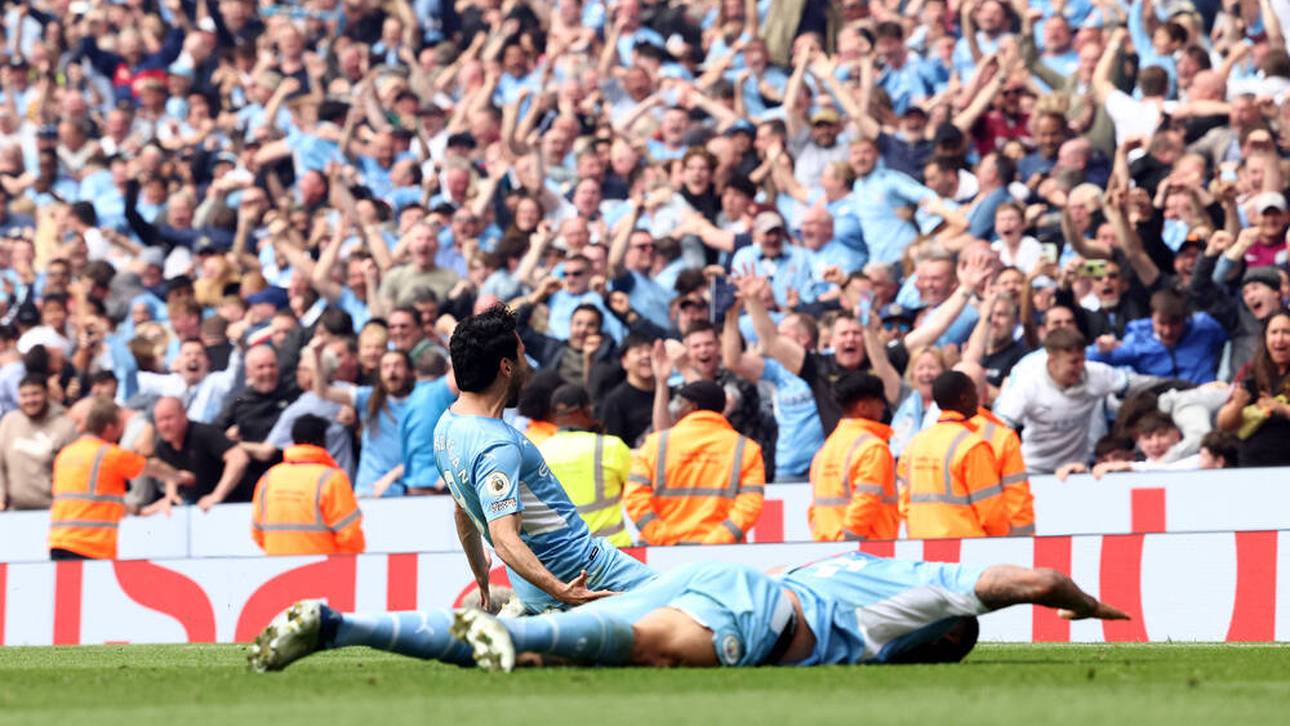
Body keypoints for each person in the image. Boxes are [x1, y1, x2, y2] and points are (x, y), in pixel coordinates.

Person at [248, 549, 1128, 673]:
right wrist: (1091, 608)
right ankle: (515, 625)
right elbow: (1037, 584)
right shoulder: (920, 605)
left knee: (557, 660)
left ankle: (339, 626)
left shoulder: (868, 556)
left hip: (717, 573)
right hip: (763, 616)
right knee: (639, 646)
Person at [433, 305, 655, 614]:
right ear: (506, 367)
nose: (527, 364)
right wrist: (562, 591)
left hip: (538, 587)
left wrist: (481, 576)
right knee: (692, 605)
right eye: (523, 355)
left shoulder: (446, 427)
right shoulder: (497, 444)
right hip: (586, 572)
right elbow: (503, 536)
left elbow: (463, 508)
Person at [48, 397, 193, 560]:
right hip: (91, 544)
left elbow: (95, 501)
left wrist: (139, 511)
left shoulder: (65, 454)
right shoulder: (110, 454)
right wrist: (177, 476)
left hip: (58, 541)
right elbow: (152, 467)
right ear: (110, 427)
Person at [897, 371, 1009, 540]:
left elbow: (904, 500)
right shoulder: (972, 446)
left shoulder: (915, 443)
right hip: (965, 547)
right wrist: (1000, 540)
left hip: (920, 542)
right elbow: (989, 508)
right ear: (965, 398)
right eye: (974, 393)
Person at [251, 415, 365, 556]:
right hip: (322, 569)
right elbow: (350, 534)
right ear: (323, 440)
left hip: (278, 568)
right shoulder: (331, 479)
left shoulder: (269, 478)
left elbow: (257, 532)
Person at [538, 384, 633, 547]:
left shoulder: (540, 450)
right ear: (588, 410)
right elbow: (636, 491)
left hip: (566, 550)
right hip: (614, 549)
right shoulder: (611, 446)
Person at [807, 371, 898, 542]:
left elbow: (815, 506)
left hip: (826, 544)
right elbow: (866, 500)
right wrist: (848, 538)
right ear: (863, 407)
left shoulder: (827, 447)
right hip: (866, 550)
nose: (883, 406)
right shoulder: (873, 448)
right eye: (879, 400)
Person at [1216, 309, 1290, 468]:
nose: (1279, 339)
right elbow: (1224, 424)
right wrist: (1237, 405)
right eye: (1274, 332)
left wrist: (1282, 409)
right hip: (1253, 469)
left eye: (1286, 332)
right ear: (1265, 338)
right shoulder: (1251, 373)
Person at [152, 396, 251, 510]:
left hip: (237, 505)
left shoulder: (204, 433)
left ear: (183, 415)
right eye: (160, 420)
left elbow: (239, 458)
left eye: (169, 418)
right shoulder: (162, 446)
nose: (165, 425)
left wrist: (217, 495)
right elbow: (170, 474)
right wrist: (171, 496)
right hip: (199, 509)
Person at [0, 374, 78, 511]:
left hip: (52, 508)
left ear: (47, 394)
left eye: (35, 394)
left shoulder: (65, 426)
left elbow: (75, 470)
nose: (30, 400)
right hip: (14, 510)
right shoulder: (9, 422)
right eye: (24, 395)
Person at [400, 346, 457, 494]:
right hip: (436, 483)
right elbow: (465, 364)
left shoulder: (411, 399)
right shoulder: (440, 389)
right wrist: (449, 326)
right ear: (446, 369)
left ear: (416, 373)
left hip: (414, 482)